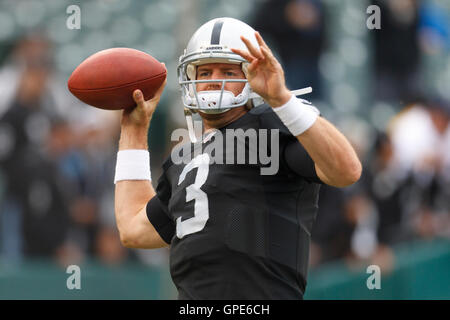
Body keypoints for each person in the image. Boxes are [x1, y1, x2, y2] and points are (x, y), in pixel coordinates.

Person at [113, 17, 361, 299]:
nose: (212, 81)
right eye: (204, 73)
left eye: (227, 72)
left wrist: (282, 100)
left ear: (252, 77)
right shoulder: (183, 159)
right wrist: (134, 130)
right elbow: (133, 228)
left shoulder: (273, 125)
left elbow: (346, 170)